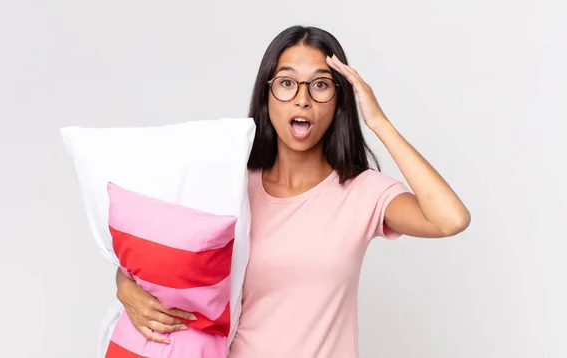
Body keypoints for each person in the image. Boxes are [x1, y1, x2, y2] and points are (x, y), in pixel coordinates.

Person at [114, 25, 471, 357]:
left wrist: (378, 122)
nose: (303, 99)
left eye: (320, 85)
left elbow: (450, 220)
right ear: (267, 95)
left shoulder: (364, 192)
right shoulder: (229, 185)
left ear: (339, 100)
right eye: (287, 83)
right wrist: (124, 286)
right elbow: (160, 261)